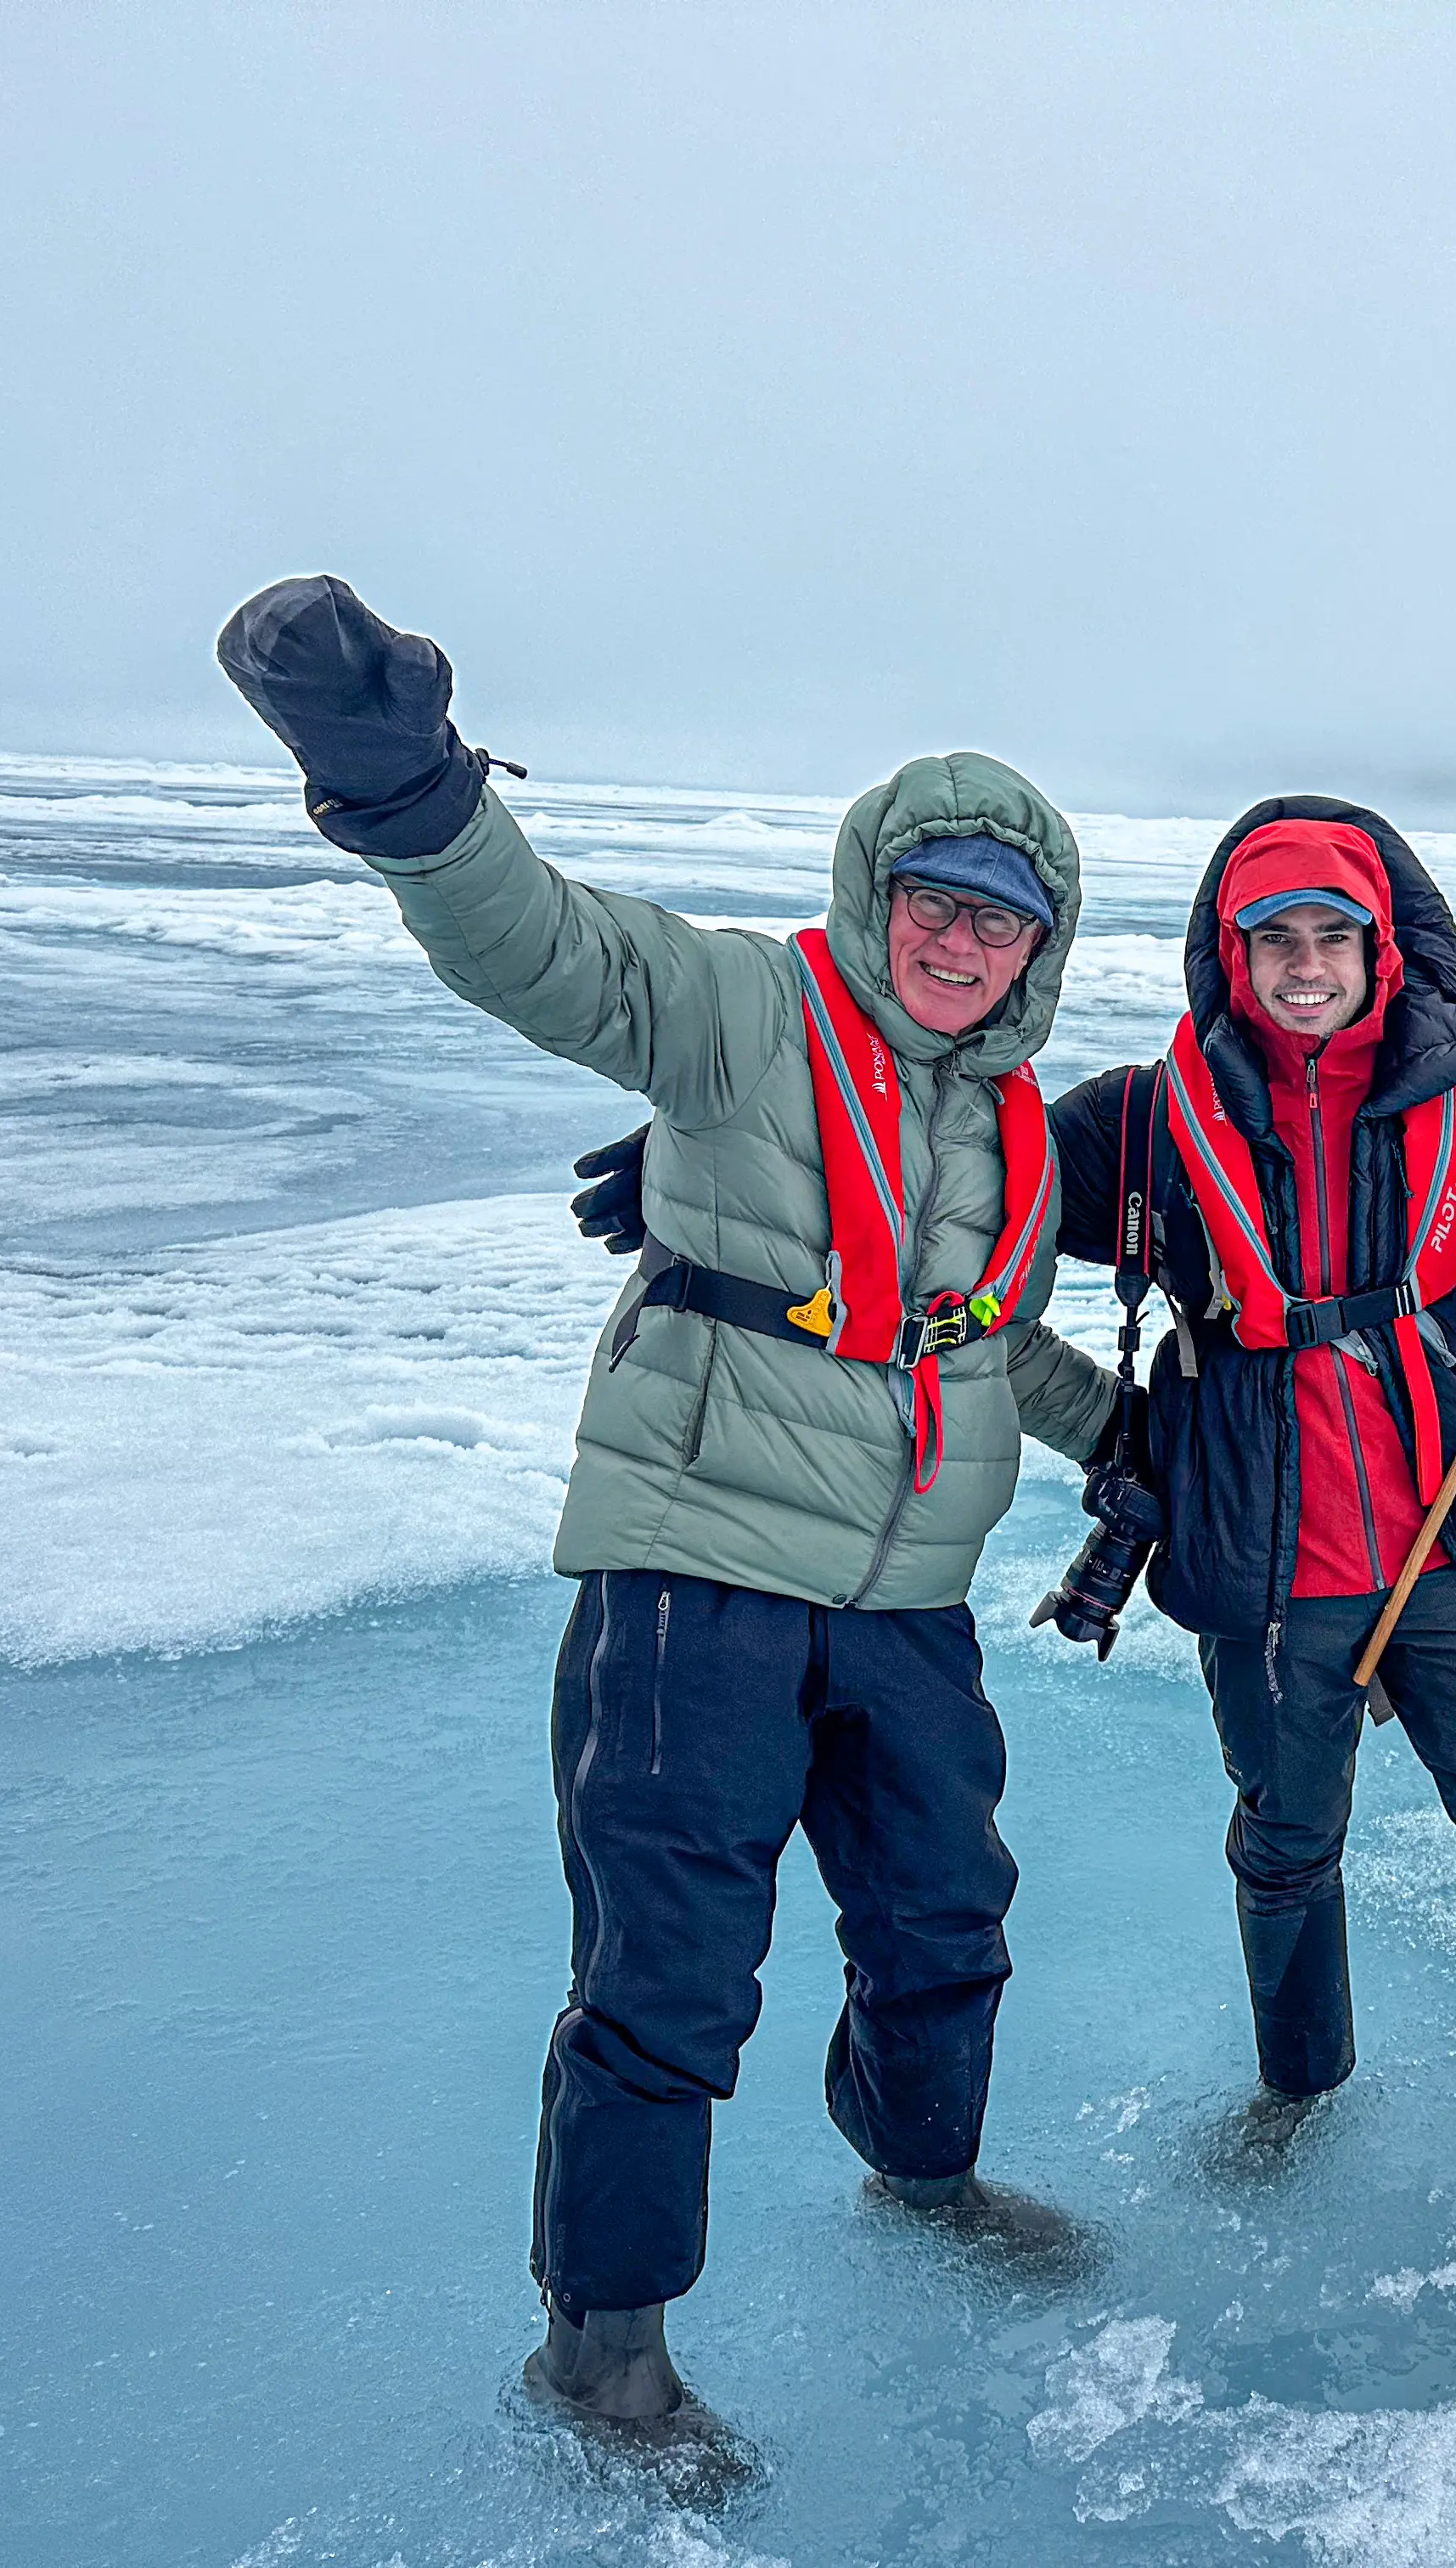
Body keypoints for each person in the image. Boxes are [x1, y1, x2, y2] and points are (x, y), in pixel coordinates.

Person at [216, 577, 1122, 2435]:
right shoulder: (744, 1010)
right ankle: (599, 2344)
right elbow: (550, 952)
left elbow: (985, 1344)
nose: (961, 942)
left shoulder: (1019, 1132)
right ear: (879, 895)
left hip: (910, 1600)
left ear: (1043, 948)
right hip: (694, 1573)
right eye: (935, 901)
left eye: (1000, 921)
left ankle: (922, 2172)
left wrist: (1141, 1441)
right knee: (670, 1972)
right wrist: (411, 796)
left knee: (948, 1918)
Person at [1044, 799, 1456, 2205]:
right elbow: (964, 1179)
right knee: (1286, 1841)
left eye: (1334, 936)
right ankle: (1300, 2085)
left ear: (1383, 948)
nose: (1306, 965)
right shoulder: (1145, 1117)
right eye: (1275, 940)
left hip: (1450, 1535)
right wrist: (738, 1168)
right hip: (1260, 1556)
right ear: (1233, 954)